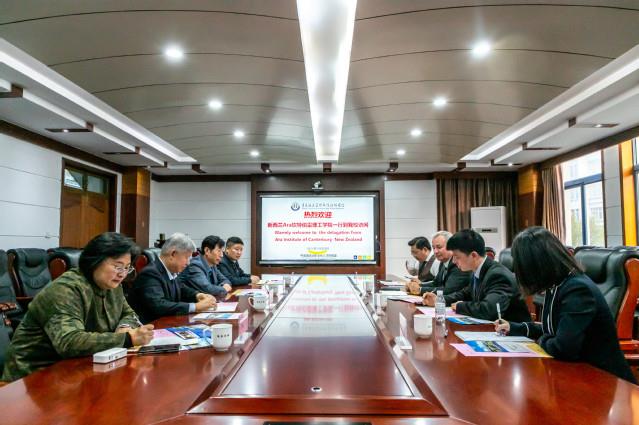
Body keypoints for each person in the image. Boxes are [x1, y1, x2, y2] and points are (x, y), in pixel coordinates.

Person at [1, 232, 154, 382]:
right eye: (118, 266)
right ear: (95, 261)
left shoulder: (113, 286)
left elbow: (129, 314)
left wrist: (124, 327)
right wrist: (127, 338)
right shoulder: (65, 289)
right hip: (31, 378)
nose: (122, 274)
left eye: (127, 268)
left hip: (78, 369)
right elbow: (69, 342)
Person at [494, 226, 636, 384]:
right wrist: (516, 328)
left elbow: (563, 348)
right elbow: (555, 330)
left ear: (535, 265)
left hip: (604, 380)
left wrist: (540, 341)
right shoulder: (556, 285)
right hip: (577, 374)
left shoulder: (577, 290)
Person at [423, 229, 531, 322]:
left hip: (513, 334)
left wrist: (461, 306)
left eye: (457, 257)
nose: (454, 261)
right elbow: (464, 294)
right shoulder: (477, 270)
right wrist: (439, 300)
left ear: (473, 255)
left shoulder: (497, 275)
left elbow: (489, 310)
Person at [130, 233, 216, 323]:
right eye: (187, 257)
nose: (188, 263)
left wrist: (197, 295)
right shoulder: (150, 273)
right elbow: (159, 305)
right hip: (151, 326)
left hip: (168, 322)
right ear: (173, 254)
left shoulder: (170, 270)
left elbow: (181, 289)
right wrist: (195, 307)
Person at [407, 231, 470, 296]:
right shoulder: (443, 261)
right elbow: (436, 283)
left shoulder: (457, 264)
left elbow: (448, 290)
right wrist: (417, 285)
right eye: (433, 248)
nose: (435, 251)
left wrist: (420, 289)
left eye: (439, 247)